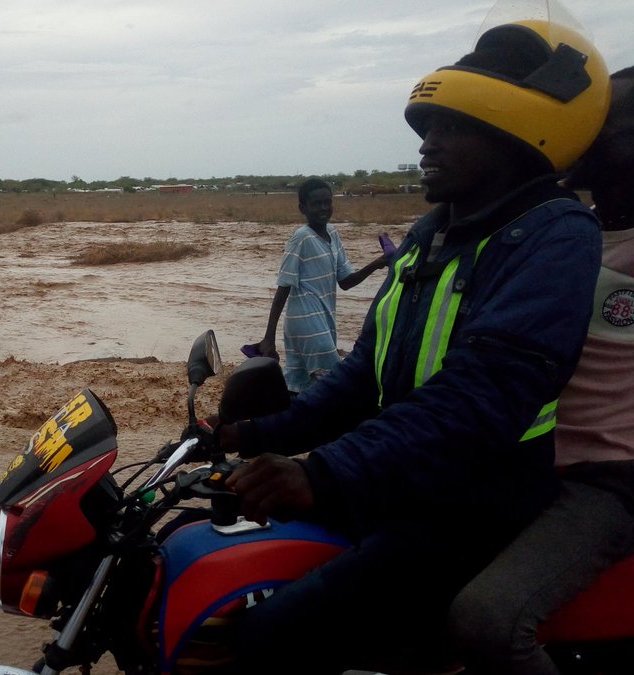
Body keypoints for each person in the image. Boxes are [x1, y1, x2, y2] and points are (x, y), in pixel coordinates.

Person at [212, 8, 610, 673]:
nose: (428, 143)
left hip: (475, 506)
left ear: (518, 138)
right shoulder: (434, 233)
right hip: (403, 483)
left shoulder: (555, 234)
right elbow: (363, 375)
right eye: (428, 126)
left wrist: (322, 471)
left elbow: (481, 395)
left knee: (267, 640)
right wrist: (251, 435)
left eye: (453, 128)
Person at [448, 65, 634, 675]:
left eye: (607, 126)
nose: (584, 136)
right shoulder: (555, 230)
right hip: (521, 459)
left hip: (606, 479)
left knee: (489, 618)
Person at [253, 178, 389, 393]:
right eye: (316, 204)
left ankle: (285, 423)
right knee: (333, 384)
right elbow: (283, 286)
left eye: (327, 202)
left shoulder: (333, 234)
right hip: (306, 323)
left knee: (298, 385)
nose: (324, 208)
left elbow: (346, 282)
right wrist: (269, 336)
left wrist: (378, 263)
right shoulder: (301, 238)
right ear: (302, 208)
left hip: (323, 320)